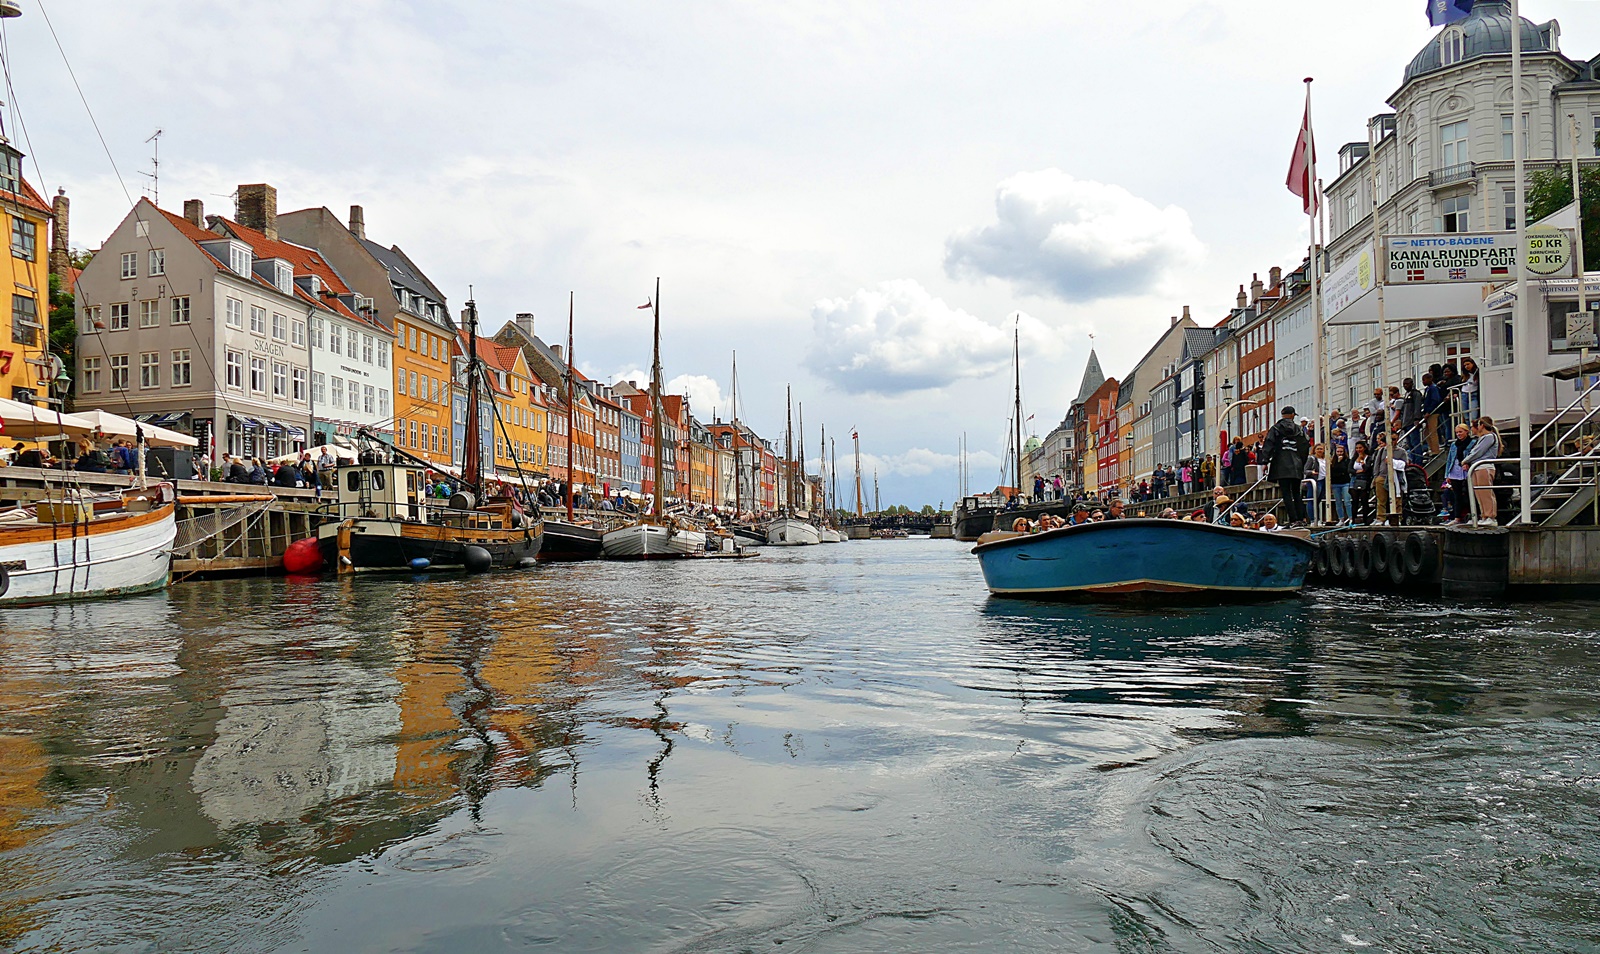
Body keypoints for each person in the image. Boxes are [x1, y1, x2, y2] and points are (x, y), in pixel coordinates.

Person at [1261, 406, 1310, 526]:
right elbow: (1304, 447)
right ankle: (1301, 519)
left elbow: (1269, 444)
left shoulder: (1275, 428)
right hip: (1296, 464)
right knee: (1297, 493)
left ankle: (1293, 519)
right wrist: (1301, 462)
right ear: (1293, 415)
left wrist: (1265, 461)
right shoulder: (1299, 430)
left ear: (1282, 415)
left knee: (1286, 493)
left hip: (1281, 465)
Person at [1462, 416, 1502, 526]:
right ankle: (1484, 515)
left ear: (1482, 425)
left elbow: (1478, 452)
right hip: (1477, 467)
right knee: (1479, 493)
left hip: (1485, 467)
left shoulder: (1489, 436)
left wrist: (1465, 460)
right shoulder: (1482, 438)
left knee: (1486, 492)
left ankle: (1491, 516)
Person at [1441, 423, 1474, 524]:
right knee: (1456, 495)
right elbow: (1450, 459)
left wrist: (1468, 463)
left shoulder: (1472, 442)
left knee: (1469, 494)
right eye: (1457, 432)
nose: (1458, 434)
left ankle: (1472, 516)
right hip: (1454, 470)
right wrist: (1447, 475)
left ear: (1466, 431)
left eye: (1460, 432)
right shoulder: (1454, 444)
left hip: (1466, 470)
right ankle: (1457, 517)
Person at [1421, 372, 1445, 456]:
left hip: (1433, 413)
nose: (1423, 382)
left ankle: (1436, 450)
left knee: (1432, 431)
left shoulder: (1433, 388)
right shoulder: (1427, 389)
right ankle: (1431, 448)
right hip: (1428, 412)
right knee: (1426, 432)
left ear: (1430, 379)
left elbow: (1435, 400)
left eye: (1424, 380)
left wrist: (1429, 411)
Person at [1349, 440, 1371, 524]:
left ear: (1364, 448)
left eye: (1360, 448)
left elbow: (1367, 469)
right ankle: (1353, 519)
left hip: (1364, 480)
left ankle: (1366, 520)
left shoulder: (1368, 458)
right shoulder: (1354, 458)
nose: (1358, 450)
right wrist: (1356, 472)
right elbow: (1350, 469)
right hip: (1354, 479)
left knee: (1364, 500)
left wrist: (1362, 462)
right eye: (1357, 448)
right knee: (1354, 501)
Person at [1330, 444, 1352, 524]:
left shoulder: (1347, 461)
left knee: (1347, 501)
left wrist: (1340, 462)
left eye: (1341, 452)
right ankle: (1341, 519)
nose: (1339, 453)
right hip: (1335, 483)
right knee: (1338, 502)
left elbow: (1346, 470)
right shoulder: (1332, 462)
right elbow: (1332, 472)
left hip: (1345, 483)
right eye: (1338, 452)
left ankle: (1350, 518)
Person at [1459, 357, 1481, 425]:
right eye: (1465, 365)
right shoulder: (1465, 375)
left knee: (1473, 415)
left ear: (1472, 364)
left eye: (1468, 364)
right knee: (1466, 416)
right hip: (1464, 394)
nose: (1466, 366)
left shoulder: (1477, 373)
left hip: (1473, 394)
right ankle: (1469, 430)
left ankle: (1473, 430)